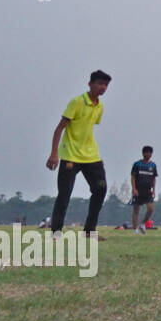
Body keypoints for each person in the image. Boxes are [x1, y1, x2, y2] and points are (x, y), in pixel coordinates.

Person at [46, 70, 112, 241]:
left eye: (105, 85)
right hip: (70, 155)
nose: (102, 87)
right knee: (65, 193)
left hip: (91, 156)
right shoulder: (77, 102)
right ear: (90, 84)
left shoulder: (100, 106)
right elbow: (60, 127)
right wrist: (54, 153)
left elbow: (88, 130)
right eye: (99, 83)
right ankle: (56, 232)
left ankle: (89, 231)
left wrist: (96, 156)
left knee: (101, 189)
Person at [130, 146, 157, 235]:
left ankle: (142, 224)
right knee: (136, 210)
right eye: (146, 152)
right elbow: (133, 177)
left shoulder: (153, 165)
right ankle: (135, 230)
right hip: (138, 190)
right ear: (143, 153)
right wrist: (134, 189)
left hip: (148, 190)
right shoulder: (137, 164)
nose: (148, 154)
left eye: (150, 153)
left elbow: (153, 178)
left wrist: (153, 190)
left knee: (151, 209)